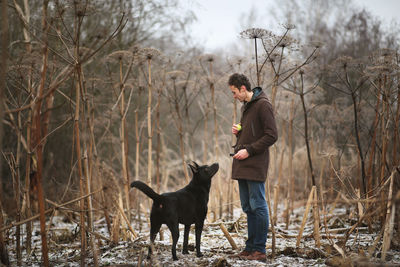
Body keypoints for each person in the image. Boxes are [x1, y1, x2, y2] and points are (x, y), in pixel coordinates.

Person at [228, 73, 278, 261]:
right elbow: (254, 132)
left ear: (242, 88)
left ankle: (259, 250)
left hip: (255, 163)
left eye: (234, 92)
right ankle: (249, 249)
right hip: (243, 164)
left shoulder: (263, 105)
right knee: (248, 206)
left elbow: (272, 135)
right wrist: (240, 130)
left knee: (258, 206)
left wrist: (249, 150)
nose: (234, 96)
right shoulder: (246, 107)